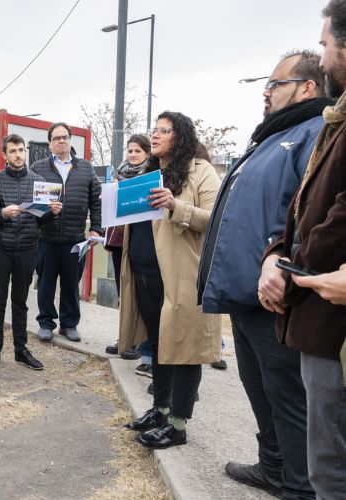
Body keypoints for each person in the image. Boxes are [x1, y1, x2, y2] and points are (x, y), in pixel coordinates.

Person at [198, 50, 328, 499]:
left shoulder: (314, 133)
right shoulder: (271, 138)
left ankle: (299, 486)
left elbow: (310, 214)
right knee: (259, 390)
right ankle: (272, 466)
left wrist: (285, 265)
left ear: (307, 87)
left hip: (277, 295)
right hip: (245, 292)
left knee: (289, 398)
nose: (266, 92)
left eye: (275, 84)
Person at [258, 4, 346, 496]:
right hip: (307, 302)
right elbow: (300, 209)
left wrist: (290, 272)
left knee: (330, 469)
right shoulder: (331, 123)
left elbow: (336, 217)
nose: (323, 55)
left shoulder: (317, 127)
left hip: (325, 313)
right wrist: (275, 253)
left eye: (325, 44)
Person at [119, 111, 221, 449]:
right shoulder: (150, 172)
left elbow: (216, 218)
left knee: (186, 350)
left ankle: (177, 425)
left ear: (181, 137)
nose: (156, 135)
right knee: (160, 345)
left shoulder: (201, 171)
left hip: (180, 278)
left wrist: (177, 205)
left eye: (164, 130)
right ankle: (160, 411)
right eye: (155, 130)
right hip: (146, 274)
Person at [0, 134, 61, 370]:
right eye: (13, 151)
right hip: (0, 247)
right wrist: (4, 213)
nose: (18, 154)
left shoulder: (39, 181)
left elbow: (42, 220)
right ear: (4, 155)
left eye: (21, 150)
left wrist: (53, 212)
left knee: (20, 301)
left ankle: (20, 350)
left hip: (27, 247)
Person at [31, 122, 102, 343]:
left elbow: (95, 202)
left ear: (70, 141)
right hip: (46, 237)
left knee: (71, 284)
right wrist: (44, 213)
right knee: (45, 283)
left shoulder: (86, 168)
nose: (61, 141)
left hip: (75, 239)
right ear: (50, 143)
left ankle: (69, 324)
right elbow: (31, 203)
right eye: (56, 138)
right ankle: (45, 323)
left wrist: (96, 229)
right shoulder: (38, 168)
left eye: (65, 137)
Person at [105, 134, 151, 361]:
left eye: (138, 151)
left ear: (147, 154)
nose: (133, 155)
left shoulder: (150, 175)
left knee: (140, 294)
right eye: (130, 151)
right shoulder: (118, 174)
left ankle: (139, 341)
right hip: (118, 240)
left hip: (140, 242)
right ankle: (125, 337)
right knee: (123, 292)